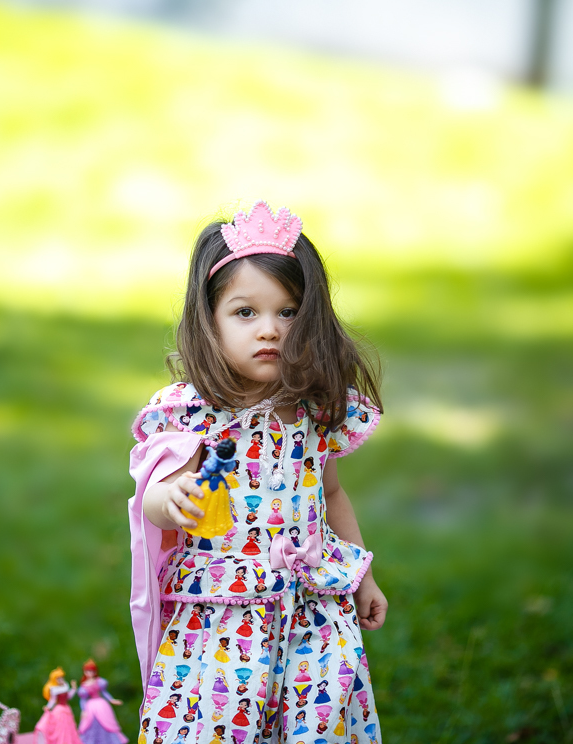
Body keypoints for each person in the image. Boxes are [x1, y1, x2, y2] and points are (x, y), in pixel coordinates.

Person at [128, 202, 387, 743]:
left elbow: (332, 496)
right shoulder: (198, 414)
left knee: (317, 723)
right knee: (220, 727)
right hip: (224, 615)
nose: (269, 329)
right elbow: (156, 493)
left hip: (311, 609)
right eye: (245, 312)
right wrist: (171, 501)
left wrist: (362, 574)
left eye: (288, 312)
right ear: (211, 319)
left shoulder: (315, 410)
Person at [78, 659, 127, 744]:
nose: (89, 673)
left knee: (106, 723)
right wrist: (84, 710)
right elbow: (82, 700)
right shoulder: (84, 685)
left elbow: (105, 693)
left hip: (101, 705)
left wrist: (112, 700)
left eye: (91, 671)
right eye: (87, 671)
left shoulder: (99, 682)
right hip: (90, 707)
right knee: (90, 725)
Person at [35, 668, 83, 744]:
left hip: (67, 709)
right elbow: (53, 700)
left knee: (69, 727)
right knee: (60, 728)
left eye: (62, 678)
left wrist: (73, 689)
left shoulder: (65, 686)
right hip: (59, 710)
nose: (61, 680)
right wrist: (48, 707)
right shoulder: (54, 690)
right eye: (59, 678)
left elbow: (68, 696)